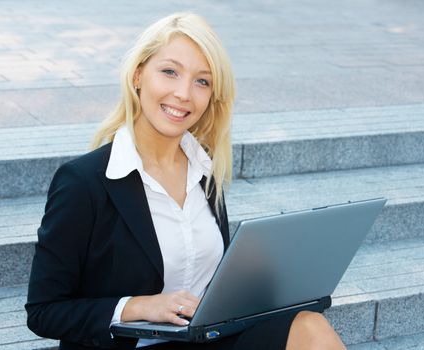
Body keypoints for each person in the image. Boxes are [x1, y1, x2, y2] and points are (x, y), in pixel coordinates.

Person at [25, 12, 346, 350]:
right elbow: (44, 310)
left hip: (206, 339)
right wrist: (138, 306)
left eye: (202, 81)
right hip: (130, 347)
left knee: (310, 327)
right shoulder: (82, 183)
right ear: (137, 76)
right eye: (170, 72)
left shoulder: (205, 168)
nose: (183, 93)